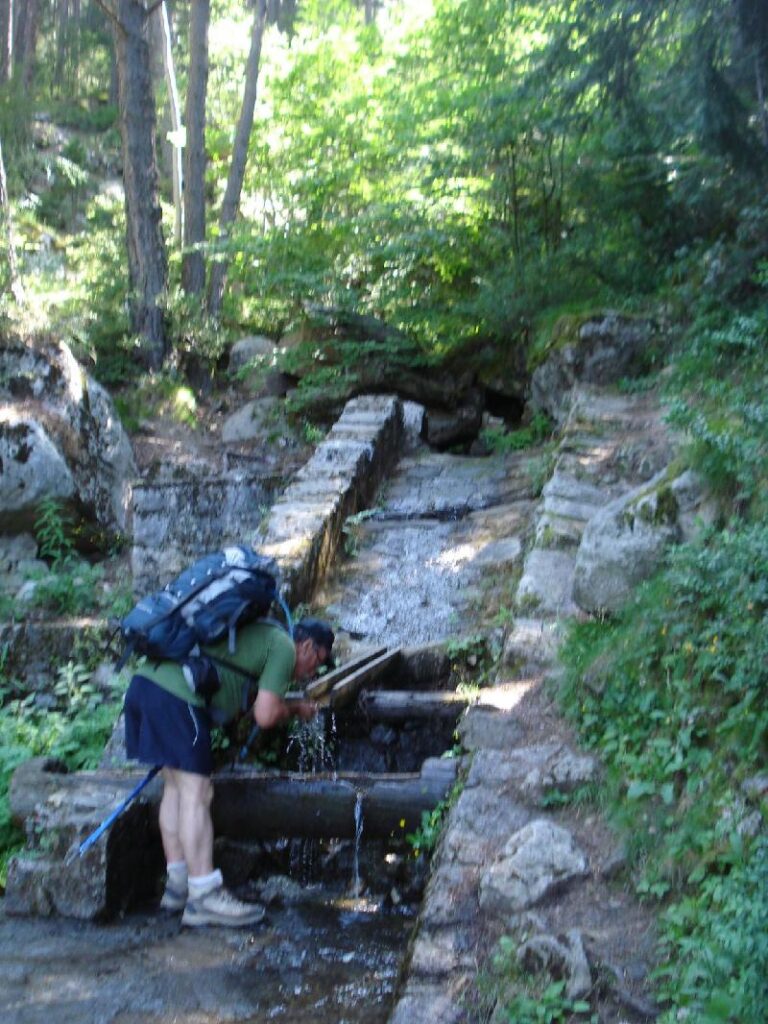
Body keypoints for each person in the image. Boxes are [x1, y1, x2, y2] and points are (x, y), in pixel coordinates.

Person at [123, 617, 334, 927]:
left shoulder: (256, 635)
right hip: (177, 699)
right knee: (198, 793)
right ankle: (204, 896)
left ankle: (179, 884)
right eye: (319, 660)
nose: (314, 671)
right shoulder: (283, 648)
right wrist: (296, 709)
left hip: (145, 686)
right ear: (305, 645)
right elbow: (265, 715)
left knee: (175, 788)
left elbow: (249, 698)